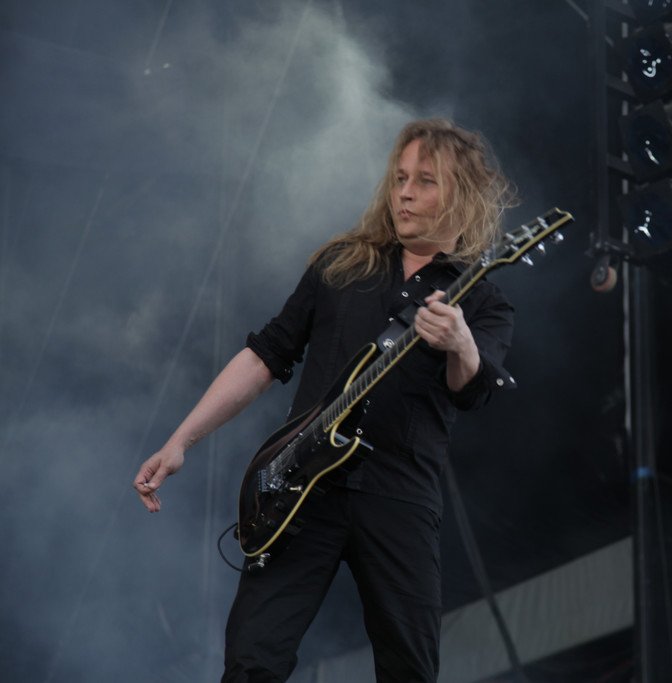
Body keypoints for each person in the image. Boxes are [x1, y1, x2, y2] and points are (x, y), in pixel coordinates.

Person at [133, 118, 517, 682]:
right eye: (400, 178)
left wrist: (460, 343)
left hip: (399, 494)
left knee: (410, 668)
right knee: (251, 660)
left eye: (426, 180)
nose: (405, 193)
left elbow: (472, 391)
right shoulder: (342, 264)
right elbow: (266, 355)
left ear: (463, 194)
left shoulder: (482, 301)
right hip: (299, 485)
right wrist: (180, 441)